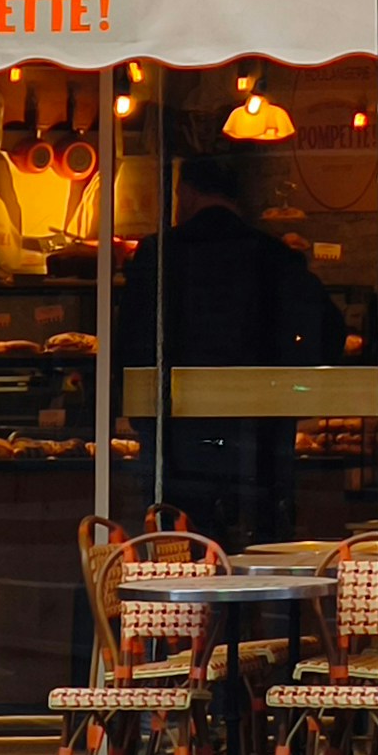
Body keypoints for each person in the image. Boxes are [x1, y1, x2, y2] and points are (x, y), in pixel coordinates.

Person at [116, 152, 344, 547]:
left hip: (178, 435)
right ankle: (257, 606)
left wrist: (135, 411)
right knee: (264, 545)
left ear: (185, 192)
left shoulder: (159, 254)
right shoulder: (273, 255)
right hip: (260, 437)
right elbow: (331, 330)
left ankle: (185, 607)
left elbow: (130, 340)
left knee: (181, 542)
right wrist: (296, 387)